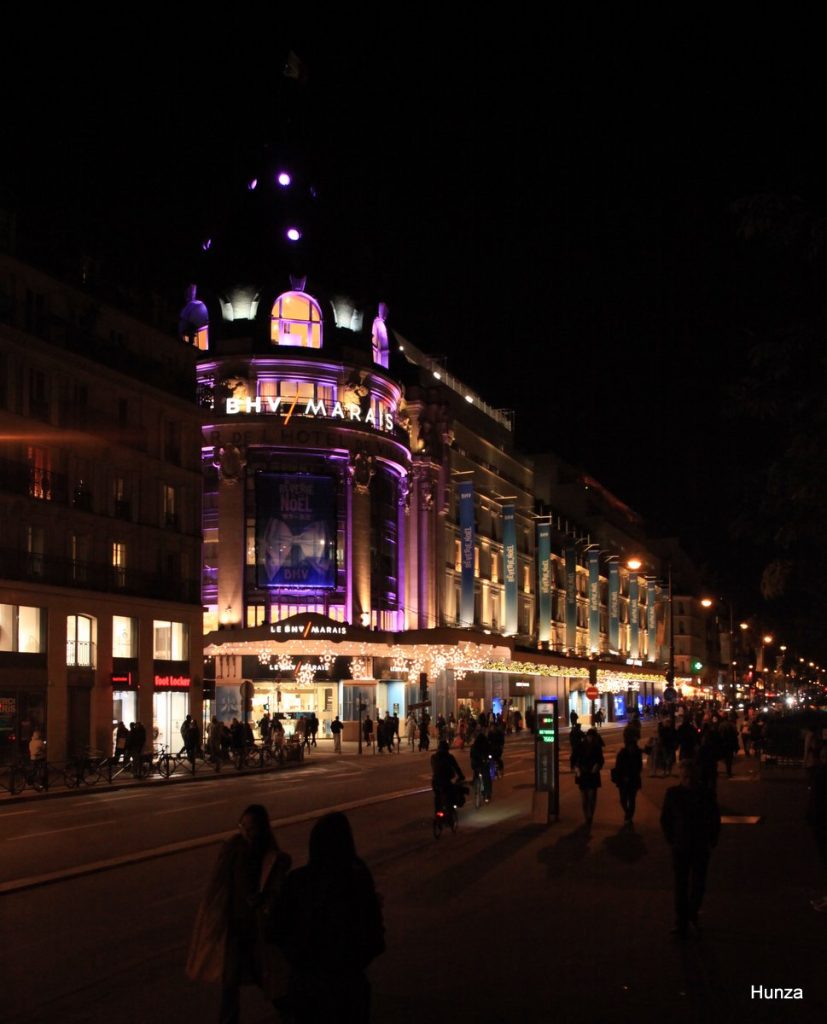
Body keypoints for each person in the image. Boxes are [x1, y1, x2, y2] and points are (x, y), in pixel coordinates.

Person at [186, 804, 292, 1023]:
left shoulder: (269, 855)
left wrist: (263, 899)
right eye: (242, 826)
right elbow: (220, 885)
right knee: (230, 981)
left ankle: (290, 1010)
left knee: (265, 974)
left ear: (262, 829)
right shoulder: (234, 849)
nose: (245, 832)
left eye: (250, 828)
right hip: (235, 925)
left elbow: (275, 885)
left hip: (257, 926)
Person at [279, 813, 385, 1023]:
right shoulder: (358, 878)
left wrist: (298, 958)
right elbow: (374, 937)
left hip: (306, 984)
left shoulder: (297, 881)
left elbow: (276, 929)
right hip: (348, 985)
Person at [660, 760, 721, 939]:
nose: (688, 781)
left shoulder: (706, 794)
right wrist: (672, 839)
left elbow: (714, 818)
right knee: (681, 885)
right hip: (681, 845)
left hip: (699, 845)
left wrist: (712, 838)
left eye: (691, 777)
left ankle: (691, 915)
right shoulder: (672, 794)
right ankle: (682, 921)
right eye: (685, 777)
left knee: (698, 884)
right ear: (681, 777)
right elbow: (665, 820)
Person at [573, 728, 604, 827]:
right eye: (589, 736)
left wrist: (597, 765)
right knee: (584, 798)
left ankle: (590, 816)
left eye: (592, 737)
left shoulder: (597, 747)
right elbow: (574, 758)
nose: (590, 738)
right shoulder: (580, 746)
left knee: (591, 797)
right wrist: (576, 767)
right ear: (586, 736)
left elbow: (601, 760)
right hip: (583, 773)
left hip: (592, 773)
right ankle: (586, 816)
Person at [613, 736, 643, 826]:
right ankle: (627, 812)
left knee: (632, 799)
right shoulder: (622, 753)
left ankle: (628, 816)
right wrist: (623, 776)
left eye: (633, 746)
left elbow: (639, 767)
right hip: (623, 780)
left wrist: (632, 775)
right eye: (630, 746)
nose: (631, 748)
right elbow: (618, 766)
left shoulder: (637, 754)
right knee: (623, 799)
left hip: (633, 780)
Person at [430, 738, 466, 814]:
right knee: (450, 795)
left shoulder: (433, 757)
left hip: (435, 781)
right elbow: (457, 768)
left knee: (437, 796)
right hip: (445, 781)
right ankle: (450, 813)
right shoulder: (450, 757)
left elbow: (435, 769)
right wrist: (461, 776)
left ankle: (437, 813)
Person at [470, 727, 493, 803]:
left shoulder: (475, 745)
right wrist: (488, 758)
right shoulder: (486, 744)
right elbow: (490, 752)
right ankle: (487, 794)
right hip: (483, 763)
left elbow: (472, 755)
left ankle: (475, 784)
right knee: (486, 777)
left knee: (476, 774)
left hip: (477, 764)